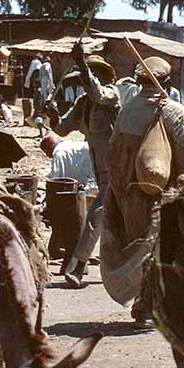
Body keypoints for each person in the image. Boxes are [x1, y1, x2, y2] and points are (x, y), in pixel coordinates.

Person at [101, 55, 184, 325]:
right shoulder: (173, 111)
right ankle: (149, 304)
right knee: (162, 249)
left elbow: (113, 154)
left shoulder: (127, 110)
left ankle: (146, 302)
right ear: (166, 81)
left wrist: (121, 191)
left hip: (129, 195)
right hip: (164, 195)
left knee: (140, 247)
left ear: (138, 81)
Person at [56, 47, 121, 287]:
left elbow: (97, 93)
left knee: (96, 213)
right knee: (116, 217)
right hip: (99, 168)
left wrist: (82, 64)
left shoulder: (111, 94)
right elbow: (62, 129)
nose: (87, 79)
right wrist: (51, 115)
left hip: (117, 166)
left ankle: (78, 266)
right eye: (86, 73)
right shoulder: (83, 103)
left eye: (93, 73)